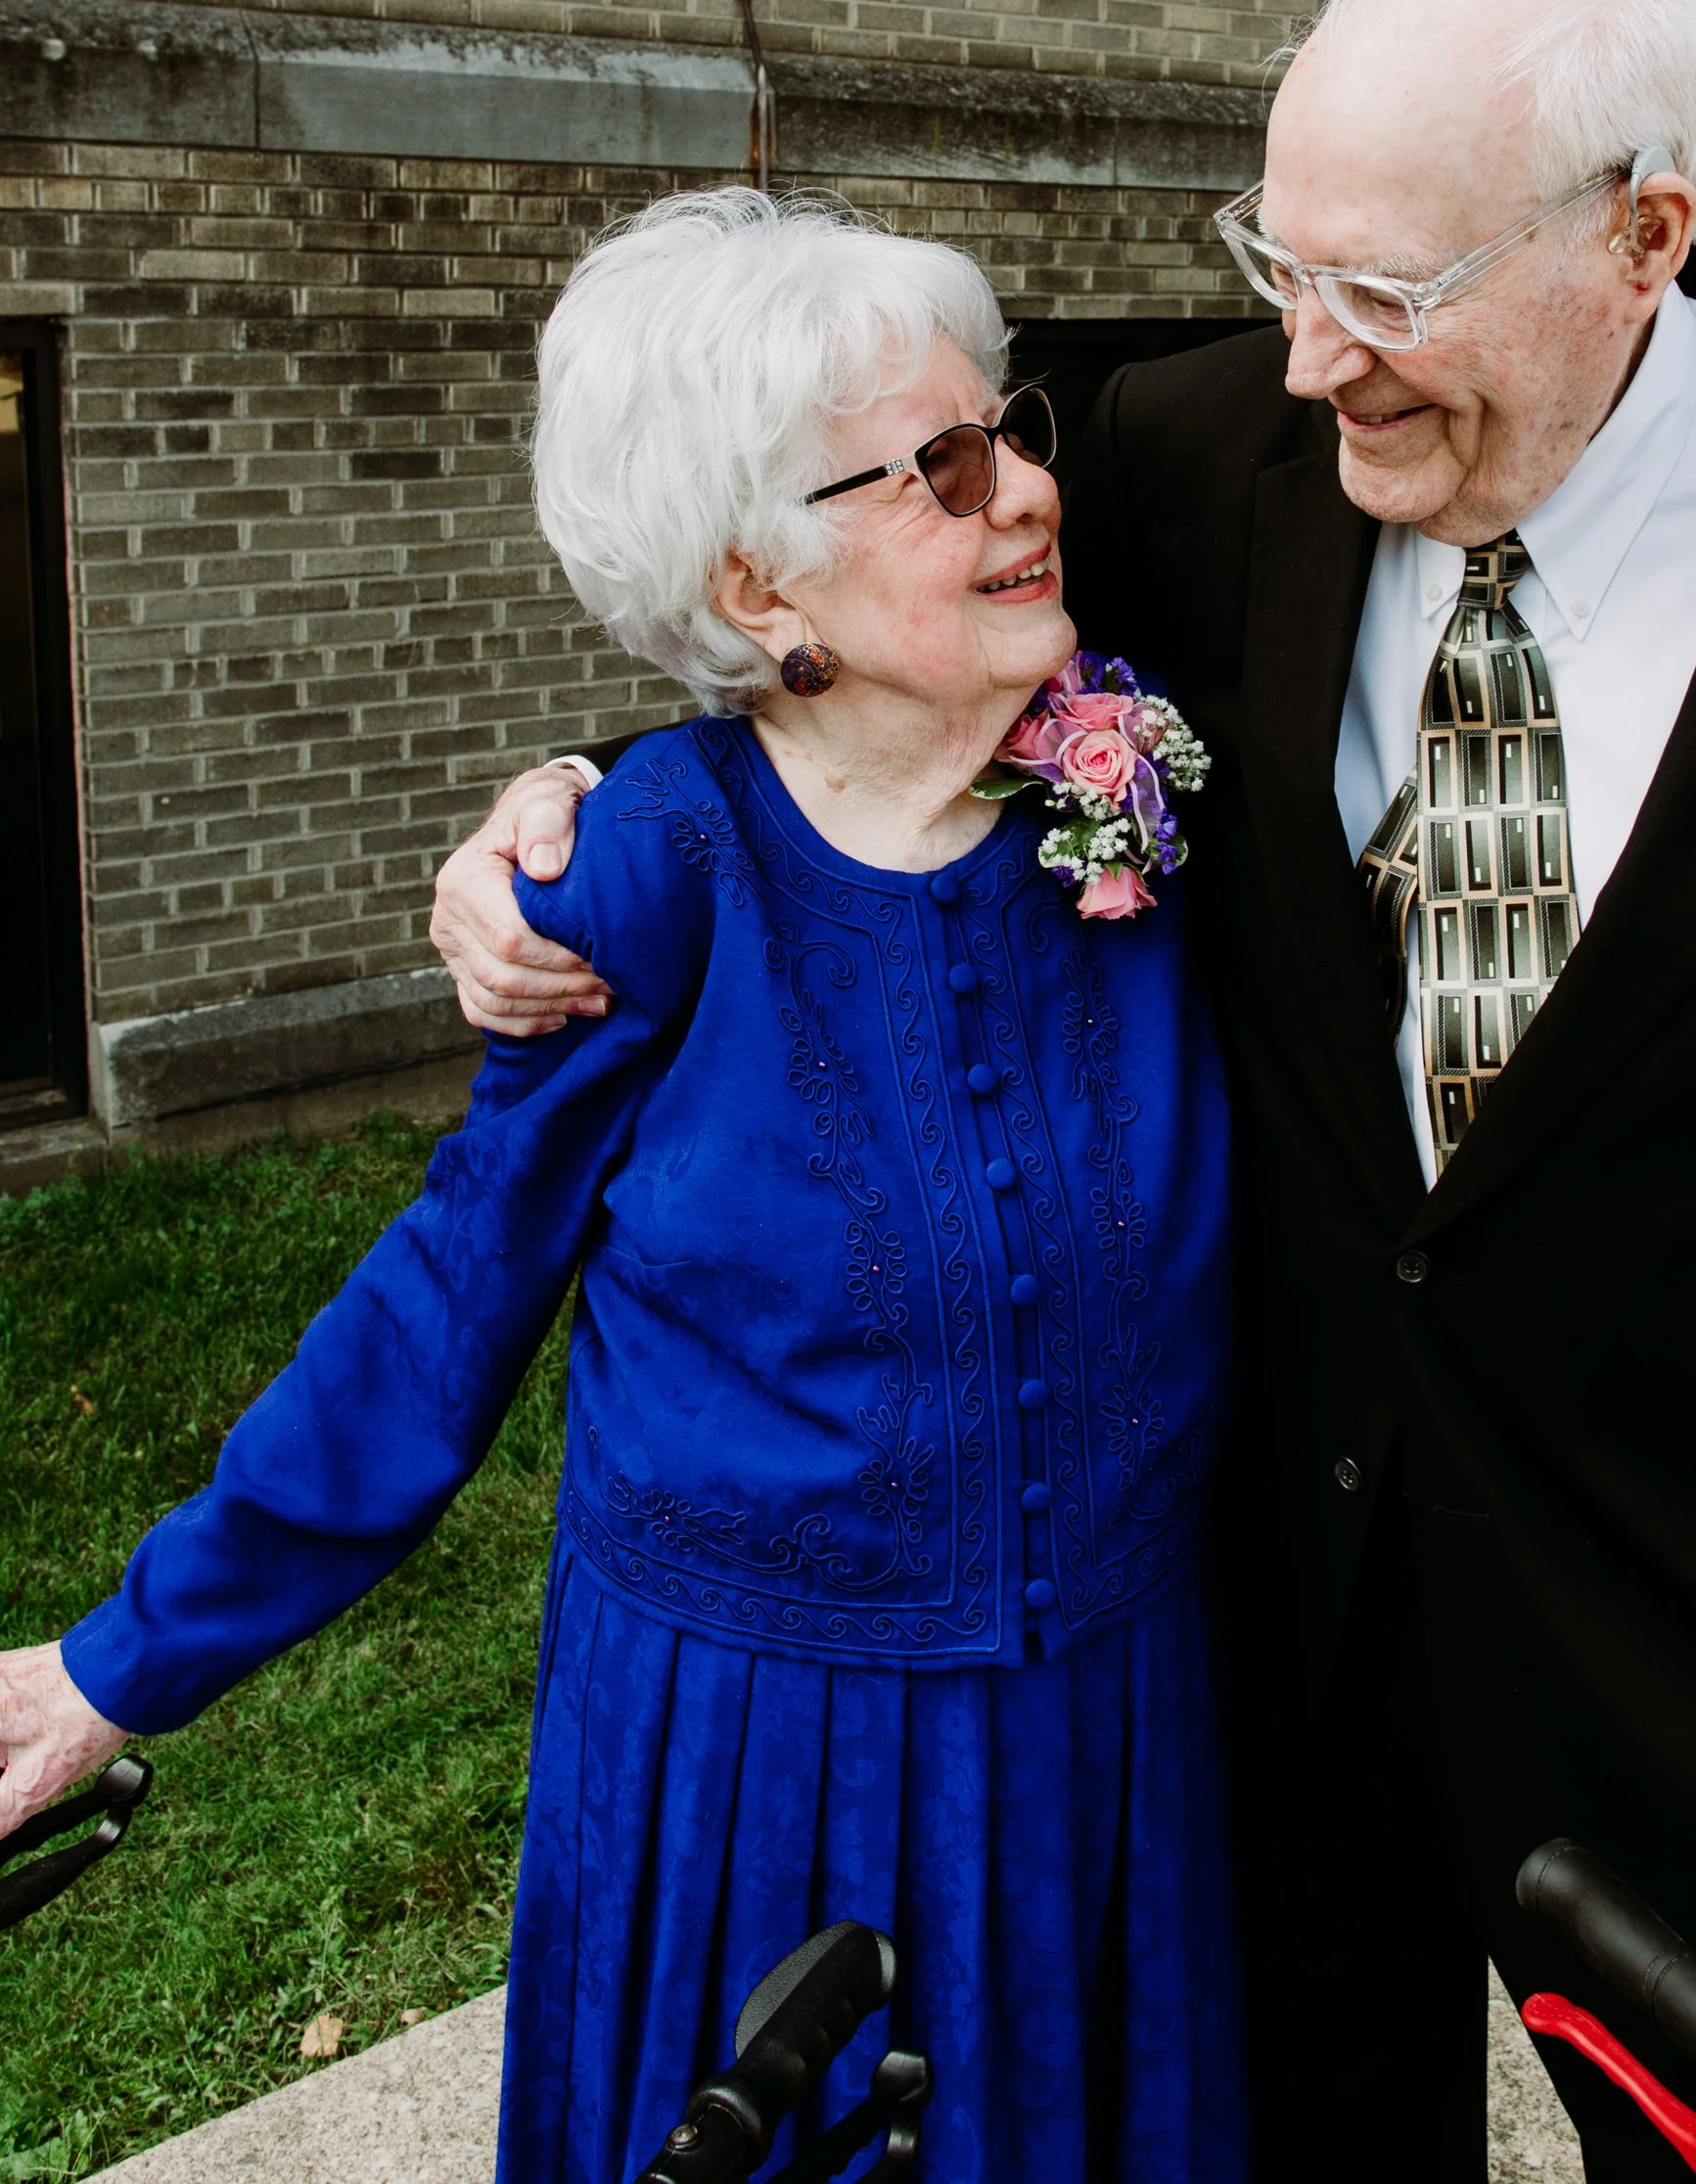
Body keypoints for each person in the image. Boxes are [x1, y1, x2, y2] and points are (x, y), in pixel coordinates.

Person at [433, 0, 1696, 2180]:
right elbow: (834, 583)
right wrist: (573, 810)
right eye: (1278, 259)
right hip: (1270, 1647)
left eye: (1385, 291)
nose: (1308, 352)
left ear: (1644, 237)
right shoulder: (1186, 449)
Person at [0, 194, 1244, 2184]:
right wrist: (118, 1658)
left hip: (1103, 1735)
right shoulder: (649, 871)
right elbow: (447, 1297)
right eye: (938, 468)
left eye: (1008, 427)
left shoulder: (1141, 779)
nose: (1021, 488)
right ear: (762, 583)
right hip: (762, 1767)